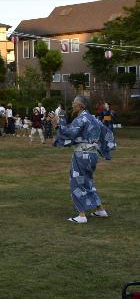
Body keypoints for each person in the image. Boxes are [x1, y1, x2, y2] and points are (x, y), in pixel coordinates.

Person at [52, 95, 116, 223]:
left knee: (77, 181)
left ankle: (81, 215)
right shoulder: (93, 119)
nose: (72, 104)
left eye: (74, 103)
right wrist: (106, 148)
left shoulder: (81, 119)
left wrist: (57, 126)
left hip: (81, 154)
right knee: (88, 181)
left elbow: (71, 133)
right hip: (93, 155)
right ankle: (100, 210)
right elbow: (107, 132)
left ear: (80, 106)